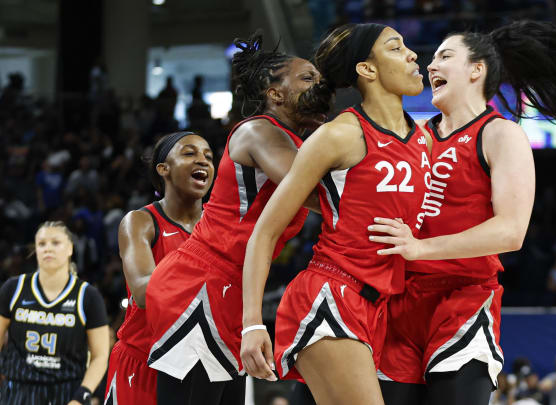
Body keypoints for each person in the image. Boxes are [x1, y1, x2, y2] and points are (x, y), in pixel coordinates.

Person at [368, 20, 556, 405]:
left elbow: (511, 231)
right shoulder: (412, 134)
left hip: (462, 300)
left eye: (444, 56)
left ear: (477, 70)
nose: (430, 66)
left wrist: (421, 249)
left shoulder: (500, 134)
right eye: (431, 58)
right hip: (397, 301)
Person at [241, 23, 427, 405]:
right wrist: (252, 323)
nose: (412, 54)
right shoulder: (339, 135)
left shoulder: (421, 137)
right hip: (331, 297)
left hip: (378, 308)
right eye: (396, 47)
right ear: (367, 69)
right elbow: (265, 232)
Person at [143, 30, 329, 405]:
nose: (319, 86)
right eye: (308, 78)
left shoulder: (294, 140)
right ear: (275, 93)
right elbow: (319, 194)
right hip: (200, 284)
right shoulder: (260, 132)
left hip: (233, 284)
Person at [103, 131, 215, 404]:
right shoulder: (140, 221)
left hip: (201, 365)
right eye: (189, 153)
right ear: (163, 169)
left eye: (209, 157)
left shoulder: (219, 224)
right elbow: (144, 292)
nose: (203, 161)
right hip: (143, 361)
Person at [0, 221, 110, 404]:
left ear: (70, 249)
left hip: (67, 391)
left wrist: (82, 395)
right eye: (41, 244)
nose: (47, 248)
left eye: (55, 243)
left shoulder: (87, 296)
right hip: (18, 390)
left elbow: (100, 356)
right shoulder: (13, 288)